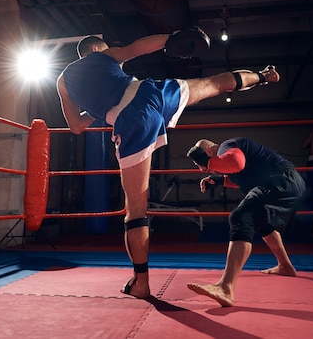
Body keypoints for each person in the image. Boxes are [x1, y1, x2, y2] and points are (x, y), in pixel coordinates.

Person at [56, 32, 280, 300]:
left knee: (136, 208)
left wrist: (99, 106)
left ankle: (141, 282)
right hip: (152, 93)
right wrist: (173, 38)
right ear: (94, 48)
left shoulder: (63, 82)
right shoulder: (102, 55)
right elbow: (136, 46)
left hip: (129, 120)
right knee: (215, 83)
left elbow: (76, 127)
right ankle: (265, 75)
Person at [185, 137, 305, 307]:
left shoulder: (226, 146)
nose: (202, 169)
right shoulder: (233, 154)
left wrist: (208, 162)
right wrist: (220, 180)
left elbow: (236, 162)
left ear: (209, 152)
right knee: (261, 221)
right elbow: (242, 175)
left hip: (279, 181)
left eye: (201, 163)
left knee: (240, 216)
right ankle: (285, 266)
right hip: (290, 183)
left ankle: (225, 288)